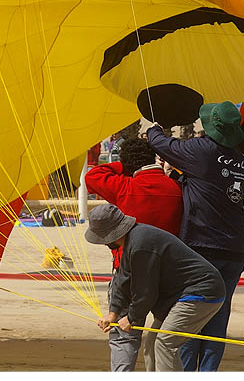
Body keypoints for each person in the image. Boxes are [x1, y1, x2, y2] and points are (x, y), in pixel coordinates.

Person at [145, 101, 244, 372]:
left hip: (204, 246)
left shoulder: (202, 150)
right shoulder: (240, 160)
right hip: (236, 248)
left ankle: (188, 373)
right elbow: (210, 188)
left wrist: (154, 128)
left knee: (191, 316)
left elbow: (162, 144)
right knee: (218, 317)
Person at [84, 138, 183, 371]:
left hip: (128, 271)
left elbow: (92, 177)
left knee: (123, 337)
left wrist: (125, 166)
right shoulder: (175, 188)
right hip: (167, 273)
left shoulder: (124, 187)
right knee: (166, 341)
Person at [88, 204, 225, 372]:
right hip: (185, 294)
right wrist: (113, 313)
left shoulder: (140, 245)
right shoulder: (133, 240)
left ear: (108, 235)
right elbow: (123, 279)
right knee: (152, 342)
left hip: (202, 292)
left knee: (166, 342)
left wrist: (131, 318)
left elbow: (145, 292)